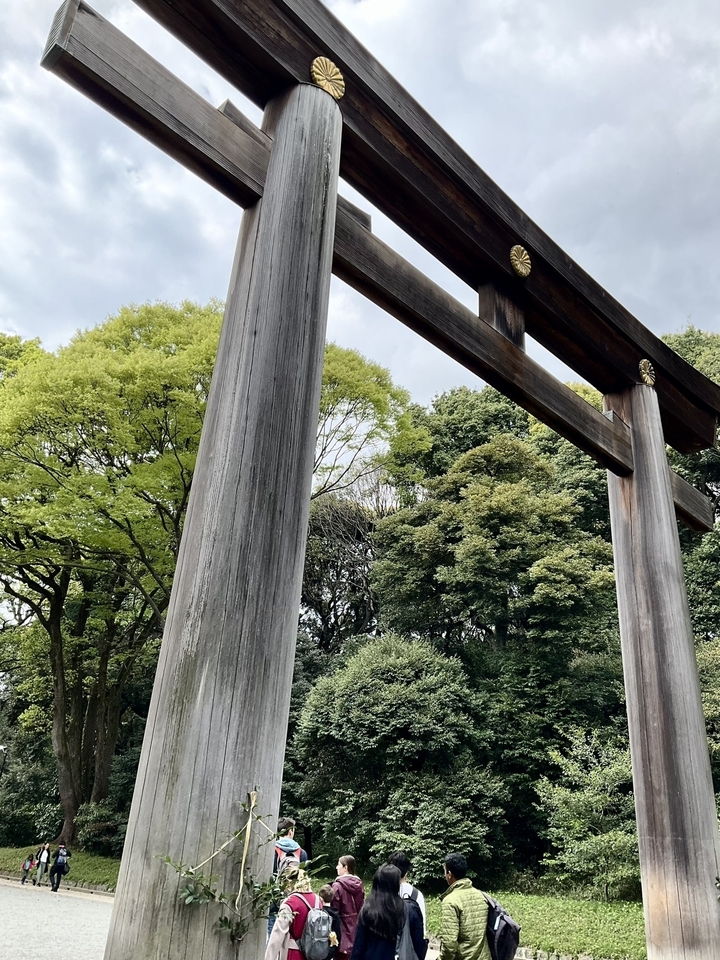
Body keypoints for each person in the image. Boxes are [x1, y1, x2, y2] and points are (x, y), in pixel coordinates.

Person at [350, 864, 426, 960]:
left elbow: (358, 947)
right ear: (396, 885)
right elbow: (419, 944)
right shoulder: (410, 910)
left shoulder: (368, 910)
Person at [264, 863, 321, 960]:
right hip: (312, 954)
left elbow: (277, 935)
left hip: (292, 953)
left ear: (288, 882)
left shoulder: (290, 903)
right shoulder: (317, 900)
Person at [439, 853, 490, 960]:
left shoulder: (450, 901)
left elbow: (449, 944)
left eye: (444, 871)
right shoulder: (481, 896)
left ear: (449, 874)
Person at [268, 818, 310, 938]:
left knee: (271, 935)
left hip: (273, 898)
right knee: (290, 935)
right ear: (291, 832)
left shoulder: (271, 850)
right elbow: (303, 880)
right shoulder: (302, 853)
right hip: (293, 899)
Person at [331, 855, 365, 960]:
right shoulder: (359, 885)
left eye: (339, 865)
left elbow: (334, 911)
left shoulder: (337, 886)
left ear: (345, 868)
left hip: (342, 931)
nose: (336, 867)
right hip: (358, 928)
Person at [386, 851, 426, 933]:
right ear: (407, 870)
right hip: (408, 943)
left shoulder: (381, 892)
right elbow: (421, 926)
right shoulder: (417, 894)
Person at [319, 884, 342, 959]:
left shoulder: (317, 913)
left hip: (317, 947)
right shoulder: (335, 915)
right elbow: (338, 934)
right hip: (330, 949)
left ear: (320, 898)